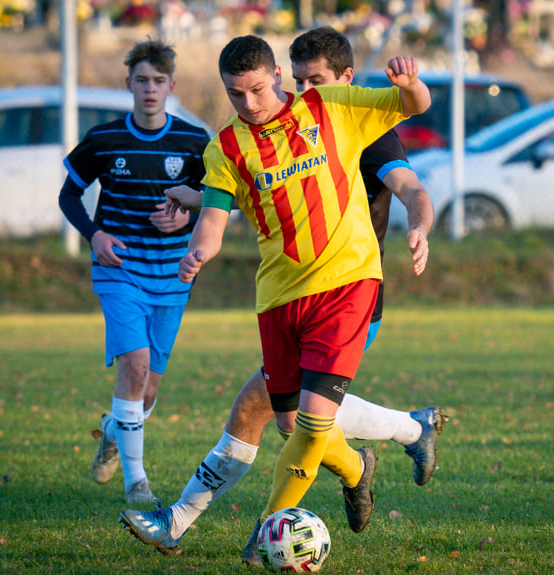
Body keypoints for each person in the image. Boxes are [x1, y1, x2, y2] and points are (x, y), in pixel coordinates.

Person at [121, 33, 431, 562]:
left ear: (278, 80)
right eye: (235, 94)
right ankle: (371, 459)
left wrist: (412, 84)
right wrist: (198, 252)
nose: (249, 104)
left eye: (258, 90)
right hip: (280, 300)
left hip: (348, 283)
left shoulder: (331, 106)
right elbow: (214, 219)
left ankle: (260, 532)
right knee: (290, 423)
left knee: (309, 423)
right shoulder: (226, 147)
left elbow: (413, 108)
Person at [58, 39, 209, 505]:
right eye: (141, 80)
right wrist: (95, 236)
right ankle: (137, 483)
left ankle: (111, 429)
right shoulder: (104, 140)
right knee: (136, 368)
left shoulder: (194, 142)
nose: (149, 89)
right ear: (128, 84)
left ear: (171, 87)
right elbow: (68, 196)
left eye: (158, 81)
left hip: (174, 276)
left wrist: (187, 216)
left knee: (147, 392)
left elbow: (221, 202)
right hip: (119, 269)